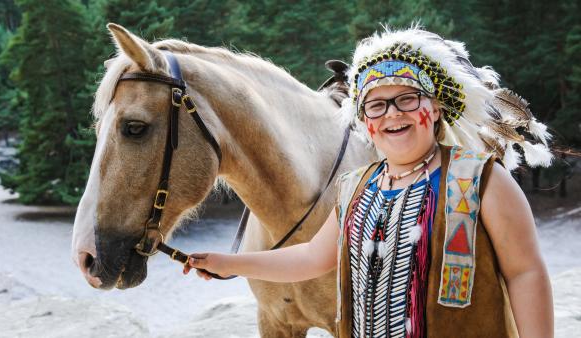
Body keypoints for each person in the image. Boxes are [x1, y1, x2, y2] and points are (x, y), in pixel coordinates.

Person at [184, 26, 554, 338]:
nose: (392, 113)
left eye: (407, 99)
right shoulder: (353, 188)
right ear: (365, 122)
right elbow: (313, 256)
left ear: (436, 107)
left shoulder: (482, 178)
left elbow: (525, 272)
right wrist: (229, 263)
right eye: (376, 105)